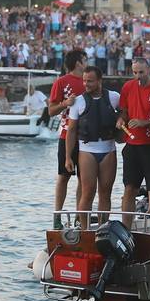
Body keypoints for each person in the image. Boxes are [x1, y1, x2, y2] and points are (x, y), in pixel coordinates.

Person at [117, 58, 150, 232]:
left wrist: (144, 122)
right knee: (129, 188)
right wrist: (121, 119)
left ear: (149, 70)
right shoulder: (127, 87)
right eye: (134, 72)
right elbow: (124, 111)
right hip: (132, 145)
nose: (138, 76)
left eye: (141, 72)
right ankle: (126, 229)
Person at [65, 66, 120, 230]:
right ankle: (84, 229)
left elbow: (125, 113)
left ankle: (103, 228)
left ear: (99, 81)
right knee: (87, 192)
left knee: (105, 192)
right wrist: (68, 157)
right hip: (87, 150)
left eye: (90, 81)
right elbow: (71, 130)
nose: (85, 84)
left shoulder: (114, 97)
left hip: (108, 149)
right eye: (84, 80)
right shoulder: (79, 101)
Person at [48, 49, 87, 229]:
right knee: (64, 176)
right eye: (85, 59)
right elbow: (51, 111)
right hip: (66, 135)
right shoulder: (61, 82)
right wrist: (65, 103)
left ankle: (80, 216)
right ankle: (57, 216)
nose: (87, 61)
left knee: (83, 179)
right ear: (78, 62)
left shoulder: (89, 81)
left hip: (87, 138)